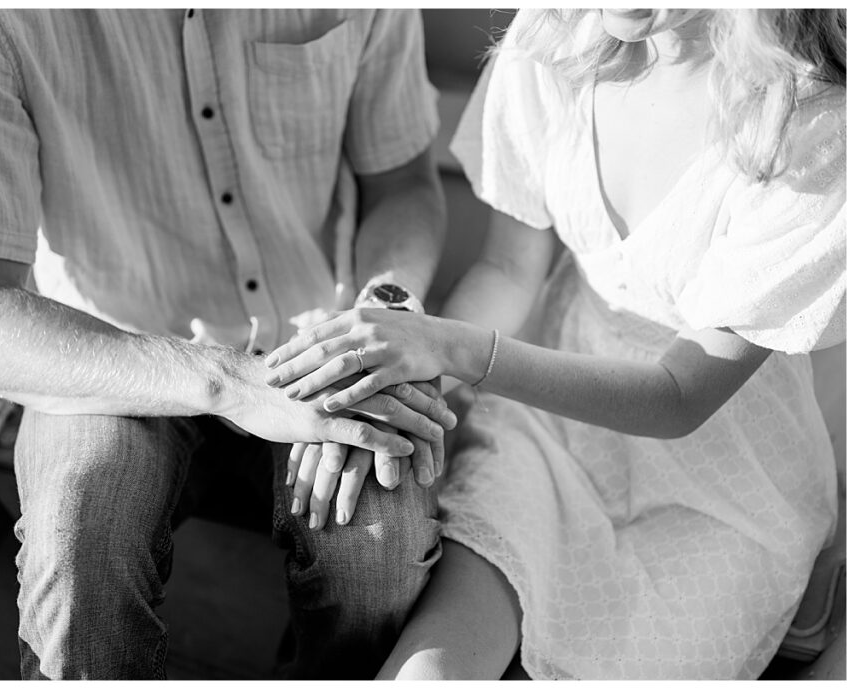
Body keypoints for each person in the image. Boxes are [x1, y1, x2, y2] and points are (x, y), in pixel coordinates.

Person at [264, 8, 846, 680]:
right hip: (546, 430)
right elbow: (508, 273)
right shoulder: (558, 34)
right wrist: (394, 385)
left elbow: (679, 397)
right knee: (429, 673)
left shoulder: (815, 128)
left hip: (723, 495)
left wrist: (451, 349)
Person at [0, 9, 456, 680]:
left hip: (317, 344)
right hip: (107, 358)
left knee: (381, 537)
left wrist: (381, 321)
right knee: (78, 543)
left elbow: (402, 186)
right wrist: (223, 381)